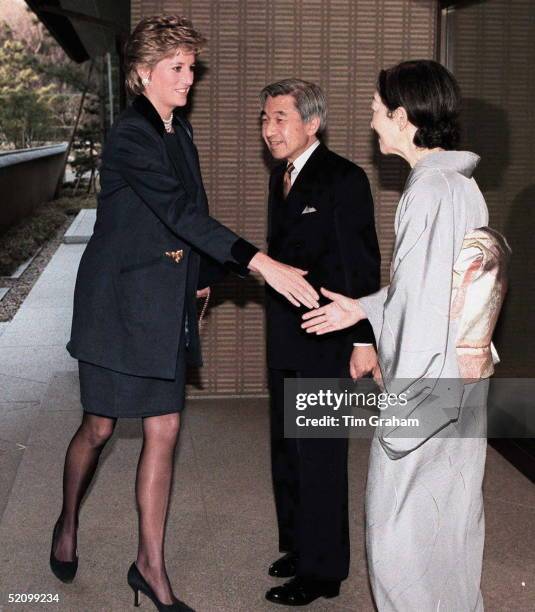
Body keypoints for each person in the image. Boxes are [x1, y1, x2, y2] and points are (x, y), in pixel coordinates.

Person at [50, 15, 319, 612]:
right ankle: (67, 520)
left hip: (165, 303)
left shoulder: (179, 131)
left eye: (192, 68)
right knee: (98, 428)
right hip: (116, 307)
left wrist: (201, 279)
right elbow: (179, 213)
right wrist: (260, 264)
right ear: (144, 73)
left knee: (164, 428)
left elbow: (191, 215)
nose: (188, 79)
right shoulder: (130, 136)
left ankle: (149, 565)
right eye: (177, 68)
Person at [302, 60, 508, 611]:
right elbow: (433, 293)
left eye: (376, 113)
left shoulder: (428, 193)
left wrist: (402, 410)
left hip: (426, 389)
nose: (372, 125)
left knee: (399, 537)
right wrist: (364, 308)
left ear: (403, 117)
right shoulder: (459, 185)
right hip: (459, 384)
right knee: (451, 525)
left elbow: (421, 315)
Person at [260, 79, 380, 606]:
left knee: (321, 457)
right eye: (265, 119)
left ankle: (323, 572)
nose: (269, 130)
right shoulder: (282, 177)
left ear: (313, 124)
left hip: (329, 337)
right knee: (287, 450)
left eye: (281, 118)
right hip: (286, 336)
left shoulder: (344, 179)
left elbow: (361, 264)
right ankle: (300, 546)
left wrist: (362, 339)